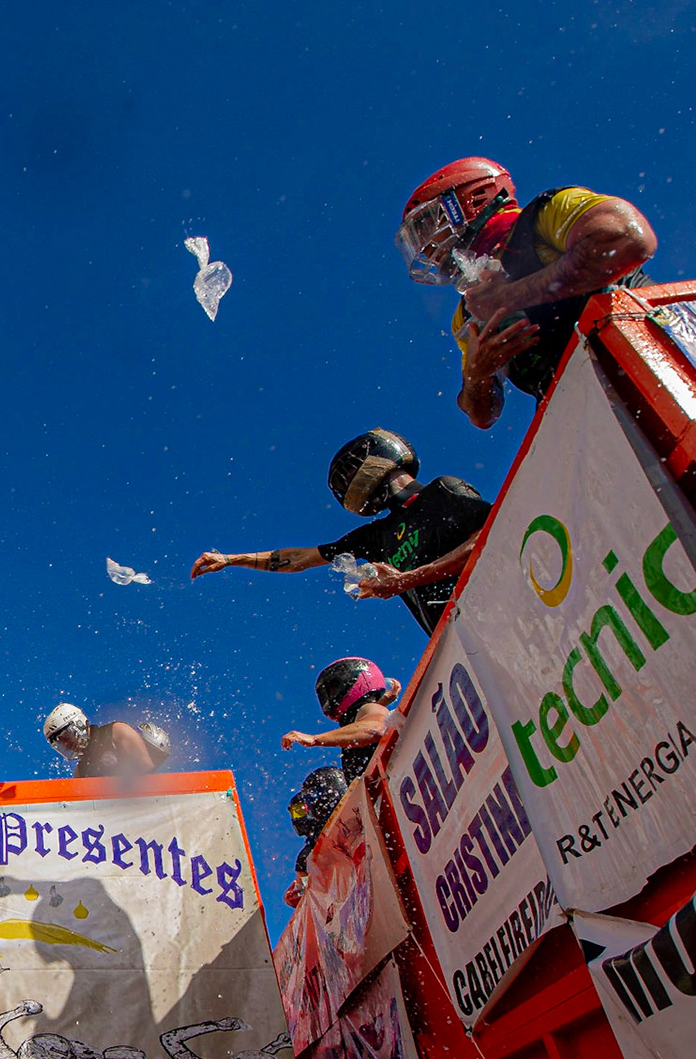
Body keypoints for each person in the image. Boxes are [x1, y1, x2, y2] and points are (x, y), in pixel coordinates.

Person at [396, 158, 656, 429]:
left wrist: (510, 296)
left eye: (425, 227)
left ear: (467, 200)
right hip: (585, 419)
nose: (425, 250)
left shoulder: (545, 213)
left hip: (647, 352)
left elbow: (630, 240)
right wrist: (477, 375)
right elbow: (484, 415)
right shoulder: (468, 312)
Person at [189, 429, 491, 635]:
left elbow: (488, 543)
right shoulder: (377, 536)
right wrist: (233, 559)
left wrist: (407, 580)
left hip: (501, 605)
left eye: (348, 472)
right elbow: (300, 558)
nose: (346, 484)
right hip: (460, 638)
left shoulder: (443, 490)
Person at [282, 657, 401, 783]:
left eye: (334, 687)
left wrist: (315, 739)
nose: (329, 696)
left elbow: (376, 729)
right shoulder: (363, 713)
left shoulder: (369, 707)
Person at [283, 766, 349, 908]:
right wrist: (297, 893)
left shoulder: (354, 808)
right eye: (296, 812)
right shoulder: (307, 853)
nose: (298, 818)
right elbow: (301, 887)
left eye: (300, 811)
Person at [43, 703, 158, 779]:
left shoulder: (117, 732)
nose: (67, 745)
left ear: (79, 724)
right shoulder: (81, 771)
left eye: (66, 737)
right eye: (60, 743)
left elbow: (147, 769)